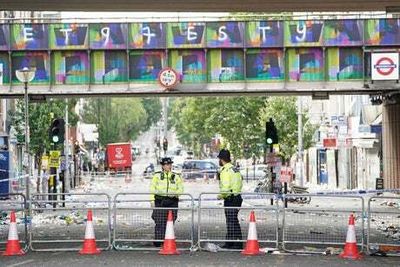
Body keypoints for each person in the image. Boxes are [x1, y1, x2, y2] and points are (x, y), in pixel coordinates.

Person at [150, 157, 184, 247]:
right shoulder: (157, 176)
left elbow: (180, 189)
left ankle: (168, 239)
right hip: (160, 201)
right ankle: (158, 241)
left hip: (172, 201)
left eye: (169, 164)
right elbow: (152, 189)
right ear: (162, 166)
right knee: (159, 221)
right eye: (166, 164)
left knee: (171, 221)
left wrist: (175, 194)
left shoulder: (176, 176)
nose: (168, 166)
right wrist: (152, 200)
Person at [217, 149, 243, 249]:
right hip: (237, 197)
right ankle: (230, 242)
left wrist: (220, 196)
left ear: (221, 159)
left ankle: (236, 244)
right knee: (232, 220)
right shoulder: (234, 169)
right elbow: (240, 182)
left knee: (232, 221)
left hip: (230, 198)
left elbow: (226, 187)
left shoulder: (225, 170)